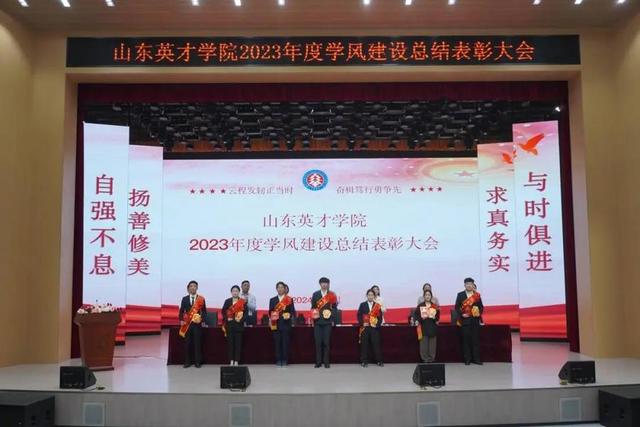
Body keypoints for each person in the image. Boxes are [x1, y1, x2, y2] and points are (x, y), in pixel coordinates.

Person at [178, 280, 207, 368]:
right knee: (187, 344)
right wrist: (181, 320)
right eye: (191, 286)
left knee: (197, 344)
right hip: (187, 325)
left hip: (197, 325)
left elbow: (204, 312)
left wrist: (201, 319)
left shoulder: (201, 299)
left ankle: (197, 362)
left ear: (197, 288)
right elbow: (181, 311)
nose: (193, 287)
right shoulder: (184, 299)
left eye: (194, 286)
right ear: (188, 288)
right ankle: (187, 362)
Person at [455, 277, 484, 365]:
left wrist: (478, 313)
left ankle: (476, 359)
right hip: (465, 321)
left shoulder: (477, 295)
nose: (469, 285)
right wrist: (462, 314)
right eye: (467, 284)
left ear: (473, 285)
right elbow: (457, 307)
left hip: (475, 320)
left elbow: (481, 307)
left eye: (470, 284)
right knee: (466, 341)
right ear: (464, 285)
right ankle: (467, 359)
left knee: (475, 341)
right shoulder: (460, 295)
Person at [311, 277, 338, 368]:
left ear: (328, 284)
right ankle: (318, 362)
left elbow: (334, 308)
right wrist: (313, 318)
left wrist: (332, 316)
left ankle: (326, 362)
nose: (324, 284)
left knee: (326, 342)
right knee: (318, 342)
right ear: (320, 284)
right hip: (317, 322)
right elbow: (313, 307)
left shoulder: (332, 294)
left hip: (327, 322)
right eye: (322, 283)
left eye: (326, 283)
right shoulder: (315, 294)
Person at [269, 281, 296, 366]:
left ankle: (285, 360)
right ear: (276, 289)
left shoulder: (289, 299)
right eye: (279, 287)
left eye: (282, 287)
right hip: (275, 324)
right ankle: (278, 359)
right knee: (277, 343)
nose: (280, 289)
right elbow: (270, 312)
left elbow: (292, 311)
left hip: (286, 324)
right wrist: (272, 316)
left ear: (285, 289)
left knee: (285, 343)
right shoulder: (272, 300)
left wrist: (289, 315)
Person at [357, 289, 383, 367]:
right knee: (364, 345)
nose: (370, 296)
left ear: (374, 296)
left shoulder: (377, 305)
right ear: (367, 296)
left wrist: (377, 325)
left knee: (376, 344)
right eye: (369, 295)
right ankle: (364, 361)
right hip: (365, 328)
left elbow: (380, 318)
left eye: (372, 295)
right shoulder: (362, 305)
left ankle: (379, 361)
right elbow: (359, 315)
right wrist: (362, 323)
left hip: (374, 328)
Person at [222, 285, 247, 365]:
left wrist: (241, 320)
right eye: (233, 291)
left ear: (239, 292)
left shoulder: (242, 301)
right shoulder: (227, 301)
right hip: (230, 326)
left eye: (236, 291)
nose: (235, 292)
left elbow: (246, 314)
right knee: (230, 344)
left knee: (238, 344)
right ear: (231, 292)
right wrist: (227, 318)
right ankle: (231, 360)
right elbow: (223, 312)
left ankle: (236, 360)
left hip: (239, 326)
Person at [414, 289, 440, 363]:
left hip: (432, 326)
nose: (427, 296)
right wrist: (420, 319)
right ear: (424, 296)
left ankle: (431, 358)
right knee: (423, 344)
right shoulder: (420, 306)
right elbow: (416, 315)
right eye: (426, 295)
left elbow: (438, 317)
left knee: (432, 344)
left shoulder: (434, 306)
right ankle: (424, 358)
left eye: (429, 295)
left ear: (431, 296)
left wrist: (434, 317)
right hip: (423, 326)